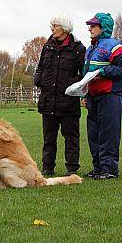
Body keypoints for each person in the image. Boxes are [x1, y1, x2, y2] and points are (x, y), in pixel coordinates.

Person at [34, 14, 86, 176]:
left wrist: (72, 84)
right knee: (48, 139)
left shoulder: (78, 48)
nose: (52, 28)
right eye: (52, 25)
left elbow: (83, 73)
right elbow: (40, 66)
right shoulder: (47, 46)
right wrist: (39, 79)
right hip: (48, 100)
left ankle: (72, 170)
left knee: (71, 138)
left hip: (68, 102)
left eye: (55, 25)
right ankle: (47, 168)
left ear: (64, 28)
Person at [82, 12, 122, 179]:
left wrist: (103, 71)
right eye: (90, 25)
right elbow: (86, 74)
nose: (90, 28)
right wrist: (84, 93)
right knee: (93, 134)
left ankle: (109, 170)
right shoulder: (90, 49)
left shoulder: (116, 46)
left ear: (104, 27)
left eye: (94, 25)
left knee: (108, 134)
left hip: (110, 96)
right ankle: (98, 168)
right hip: (93, 97)